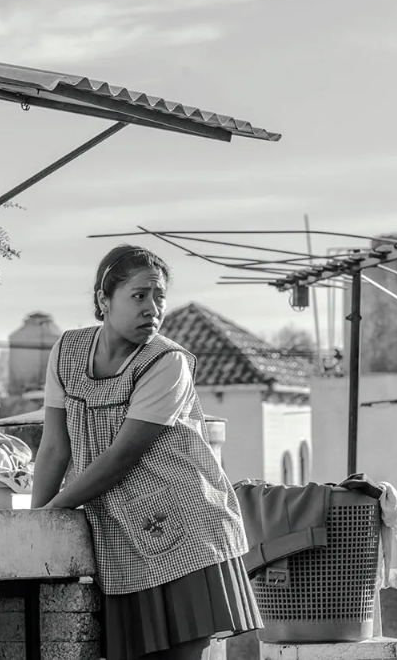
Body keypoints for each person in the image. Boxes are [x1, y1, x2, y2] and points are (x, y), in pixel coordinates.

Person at [30, 245, 261, 660]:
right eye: (139, 296)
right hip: (122, 541)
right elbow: (53, 448)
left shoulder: (167, 362)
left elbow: (122, 457)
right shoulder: (66, 352)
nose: (152, 308)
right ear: (104, 300)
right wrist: (33, 528)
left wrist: (55, 511)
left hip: (187, 531)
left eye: (159, 297)